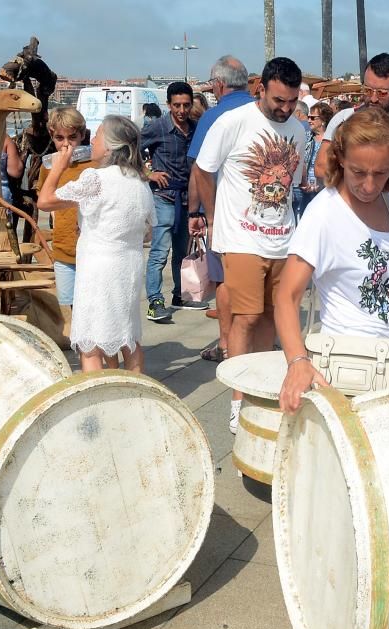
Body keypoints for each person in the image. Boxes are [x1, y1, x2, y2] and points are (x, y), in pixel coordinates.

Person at [274, 107, 389, 414]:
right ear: (339, 158)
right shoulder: (323, 215)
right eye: (358, 172)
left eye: (380, 173)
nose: (369, 185)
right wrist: (297, 361)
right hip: (341, 367)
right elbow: (286, 296)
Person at [193, 56, 306, 433]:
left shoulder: (299, 131)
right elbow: (204, 170)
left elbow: (293, 183)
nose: (285, 108)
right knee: (245, 317)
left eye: (291, 101)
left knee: (274, 318)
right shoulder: (233, 121)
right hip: (240, 238)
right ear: (261, 89)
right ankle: (239, 400)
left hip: (283, 239)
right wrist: (212, 220)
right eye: (278, 100)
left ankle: (260, 388)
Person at [37, 115, 155, 374]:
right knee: (129, 338)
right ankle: (135, 392)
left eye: (98, 135)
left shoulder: (96, 178)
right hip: (129, 266)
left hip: (99, 267)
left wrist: (59, 165)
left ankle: (99, 399)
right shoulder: (140, 181)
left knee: (91, 344)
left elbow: (45, 201)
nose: (92, 140)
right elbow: (147, 232)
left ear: (110, 145)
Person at [187, 55, 253, 359]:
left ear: (219, 84)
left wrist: (197, 213)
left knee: (225, 280)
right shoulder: (262, 112)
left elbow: (199, 170)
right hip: (264, 217)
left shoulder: (214, 117)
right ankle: (257, 340)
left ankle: (227, 344)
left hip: (225, 216)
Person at [140, 81, 201, 321]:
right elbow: (128, 149)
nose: (182, 110)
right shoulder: (157, 127)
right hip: (163, 197)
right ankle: (155, 301)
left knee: (181, 252)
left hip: (187, 198)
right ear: (168, 105)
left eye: (186, 105)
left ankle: (180, 294)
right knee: (159, 253)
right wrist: (148, 174)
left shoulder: (196, 128)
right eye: (177, 105)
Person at [35, 107, 96, 343]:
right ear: (52, 135)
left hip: (90, 245)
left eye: (72, 137)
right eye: (59, 138)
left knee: (90, 304)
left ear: (82, 135)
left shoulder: (94, 163)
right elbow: (44, 200)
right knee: (68, 304)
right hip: (63, 245)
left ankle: (90, 351)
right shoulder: (48, 166)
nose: (66, 145)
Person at [314, 53, 389, 179]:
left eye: (382, 93)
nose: (373, 99)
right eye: (368, 90)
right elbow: (321, 168)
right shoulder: (342, 117)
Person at [299, 101, 333, 216]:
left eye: (313, 118)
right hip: (306, 188)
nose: (309, 120)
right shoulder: (306, 136)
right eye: (308, 117)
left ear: (323, 120)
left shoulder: (333, 140)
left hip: (326, 188)